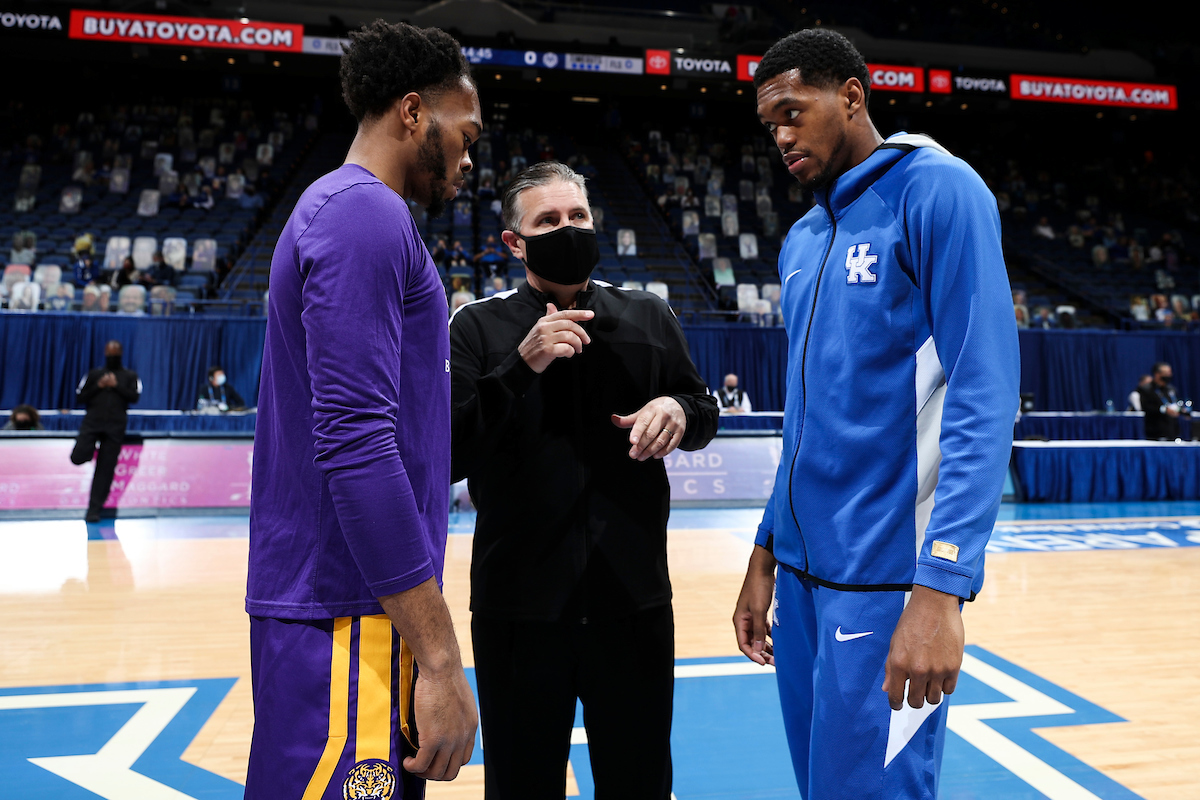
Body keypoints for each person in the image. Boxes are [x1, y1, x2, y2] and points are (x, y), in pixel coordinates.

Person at [733, 29, 1019, 800]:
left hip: (888, 577)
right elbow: (808, 418)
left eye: (794, 113)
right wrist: (765, 551)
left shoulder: (938, 190)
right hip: (801, 575)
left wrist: (942, 587)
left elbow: (984, 391)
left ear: (852, 96)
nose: (782, 136)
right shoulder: (802, 237)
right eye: (770, 125)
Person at [245, 20, 480, 800]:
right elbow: (356, 445)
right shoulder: (363, 215)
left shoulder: (350, 213)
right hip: (350, 618)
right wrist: (442, 657)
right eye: (465, 133)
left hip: (358, 610)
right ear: (413, 112)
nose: (470, 159)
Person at [450, 161, 719, 799]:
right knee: (521, 786)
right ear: (515, 242)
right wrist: (521, 365)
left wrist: (678, 409)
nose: (567, 229)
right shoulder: (478, 328)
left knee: (640, 783)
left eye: (578, 217)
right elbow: (451, 453)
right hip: (518, 610)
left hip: (633, 602)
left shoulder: (648, 315)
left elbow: (703, 409)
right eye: (548, 221)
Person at [70, 340, 141, 523]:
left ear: (122, 353)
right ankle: (88, 453)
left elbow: (134, 397)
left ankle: (94, 510)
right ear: (104, 353)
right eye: (110, 353)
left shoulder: (130, 375)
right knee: (77, 456)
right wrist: (99, 386)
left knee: (105, 470)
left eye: (116, 353)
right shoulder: (94, 374)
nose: (112, 356)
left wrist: (116, 385)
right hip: (92, 422)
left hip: (115, 427)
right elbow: (80, 396)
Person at [1139, 362, 1186, 440]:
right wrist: (1164, 409)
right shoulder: (1146, 389)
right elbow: (1146, 407)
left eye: (1170, 373)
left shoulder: (1171, 389)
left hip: (1173, 431)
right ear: (1157, 374)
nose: (1169, 375)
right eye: (1166, 373)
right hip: (1155, 431)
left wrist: (1181, 410)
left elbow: (1175, 403)